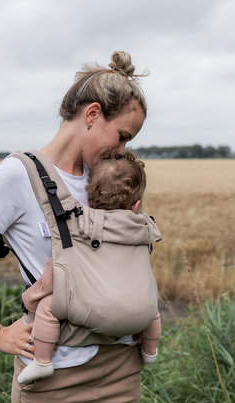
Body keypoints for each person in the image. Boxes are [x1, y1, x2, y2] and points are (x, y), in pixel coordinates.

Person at [0, 50, 149, 403]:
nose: (122, 151)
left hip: (122, 368)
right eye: (121, 136)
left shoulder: (108, 178)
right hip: (52, 377)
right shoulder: (19, 175)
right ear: (92, 114)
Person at [17, 150, 162, 385]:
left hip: (93, 314)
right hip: (141, 317)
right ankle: (150, 351)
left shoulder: (82, 225)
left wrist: (31, 299)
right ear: (136, 206)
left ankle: (42, 362)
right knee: (152, 305)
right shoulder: (145, 227)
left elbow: (59, 269)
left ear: (89, 200)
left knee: (47, 307)